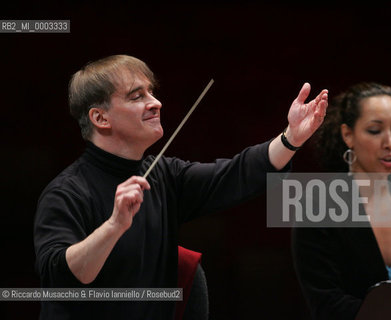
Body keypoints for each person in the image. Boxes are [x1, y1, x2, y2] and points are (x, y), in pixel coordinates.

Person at [33, 54, 328, 320]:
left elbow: (236, 174)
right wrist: (114, 225)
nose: (156, 102)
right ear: (100, 117)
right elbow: (64, 278)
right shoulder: (65, 193)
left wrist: (291, 138)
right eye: (137, 96)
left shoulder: (163, 175)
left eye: (152, 92)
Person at [292, 82, 391, 320]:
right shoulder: (316, 208)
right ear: (348, 135)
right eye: (375, 130)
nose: (390, 142)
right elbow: (327, 305)